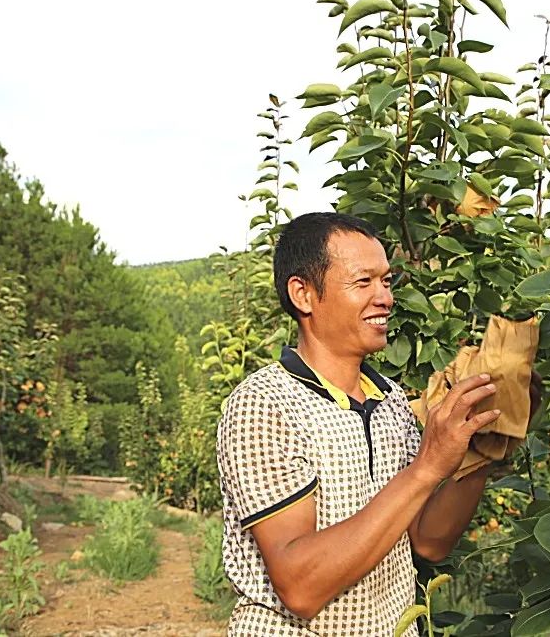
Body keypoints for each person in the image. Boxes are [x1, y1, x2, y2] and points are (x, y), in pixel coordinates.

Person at [217, 212, 524, 636]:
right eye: (363, 283)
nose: (384, 298)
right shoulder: (265, 404)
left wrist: (483, 446)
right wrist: (428, 468)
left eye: (386, 281)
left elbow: (427, 541)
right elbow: (300, 584)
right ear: (303, 294)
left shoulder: (391, 401)